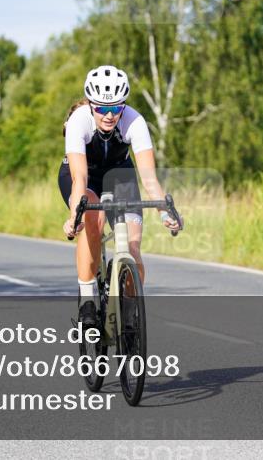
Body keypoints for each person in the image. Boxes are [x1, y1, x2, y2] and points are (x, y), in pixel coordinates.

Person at [59, 65, 181, 328]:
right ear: (91, 105)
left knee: (133, 248)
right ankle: (88, 299)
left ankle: (128, 314)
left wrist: (164, 212)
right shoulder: (79, 122)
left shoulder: (134, 121)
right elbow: (79, 179)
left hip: (119, 174)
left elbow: (149, 178)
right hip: (84, 175)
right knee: (94, 219)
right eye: (103, 108)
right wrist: (74, 217)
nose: (110, 115)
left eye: (117, 107)